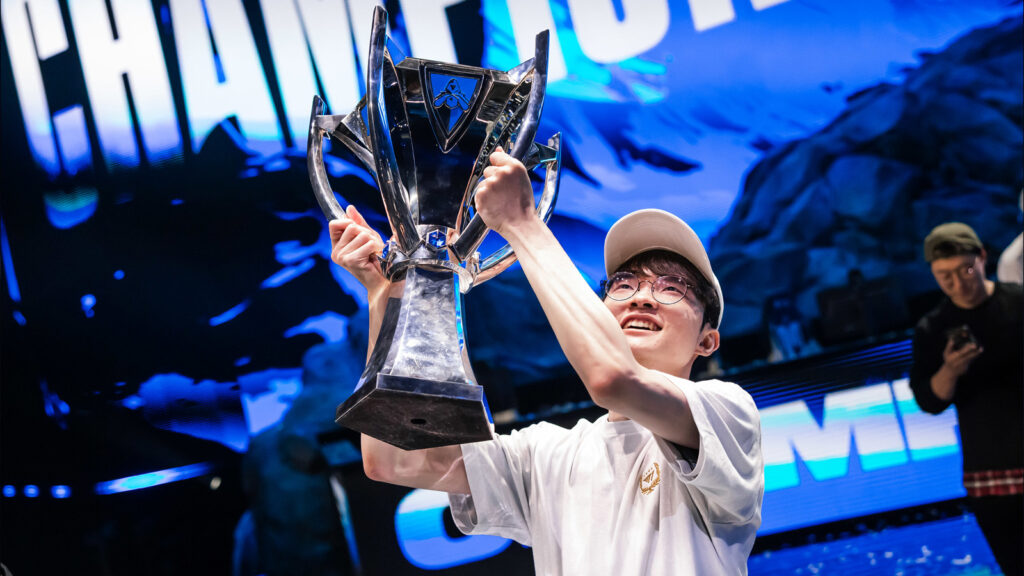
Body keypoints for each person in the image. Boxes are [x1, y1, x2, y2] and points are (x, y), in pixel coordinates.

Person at [329, 148, 764, 575]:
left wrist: (522, 222)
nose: (643, 298)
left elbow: (611, 377)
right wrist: (391, 297)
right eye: (624, 284)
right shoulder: (547, 456)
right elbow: (395, 458)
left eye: (673, 288)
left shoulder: (726, 412)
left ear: (707, 341)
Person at [909, 222, 1023, 576]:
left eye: (966, 269)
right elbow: (930, 401)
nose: (958, 283)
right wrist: (950, 369)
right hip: (990, 473)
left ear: (983, 257)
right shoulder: (932, 328)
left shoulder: (1019, 302)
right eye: (945, 275)